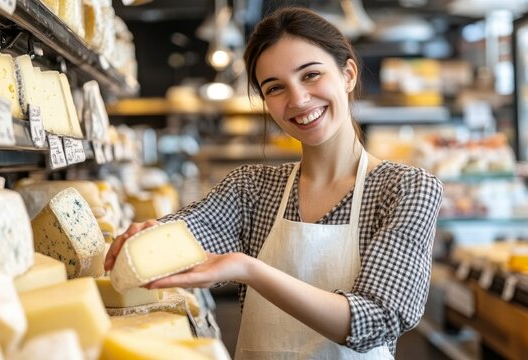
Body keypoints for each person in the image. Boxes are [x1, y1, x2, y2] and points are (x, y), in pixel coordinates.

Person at [105, 6, 442, 359]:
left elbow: (376, 320)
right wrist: (148, 237)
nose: (297, 99)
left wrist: (250, 269)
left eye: (310, 75)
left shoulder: (406, 188)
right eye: (275, 87)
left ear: (348, 74)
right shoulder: (252, 188)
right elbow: (189, 234)